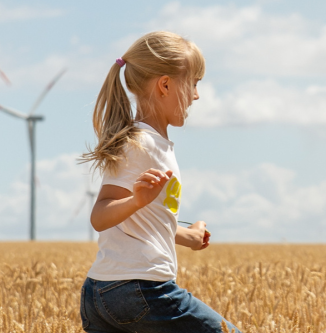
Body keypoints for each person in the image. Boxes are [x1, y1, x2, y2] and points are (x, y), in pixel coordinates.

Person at [78, 31, 237, 333]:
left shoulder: (150, 144)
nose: (197, 95)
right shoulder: (142, 143)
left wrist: (186, 236)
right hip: (140, 290)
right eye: (194, 83)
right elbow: (100, 215)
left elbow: (146, 217)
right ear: (165, 85)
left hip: (103, 292)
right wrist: (136, 200)